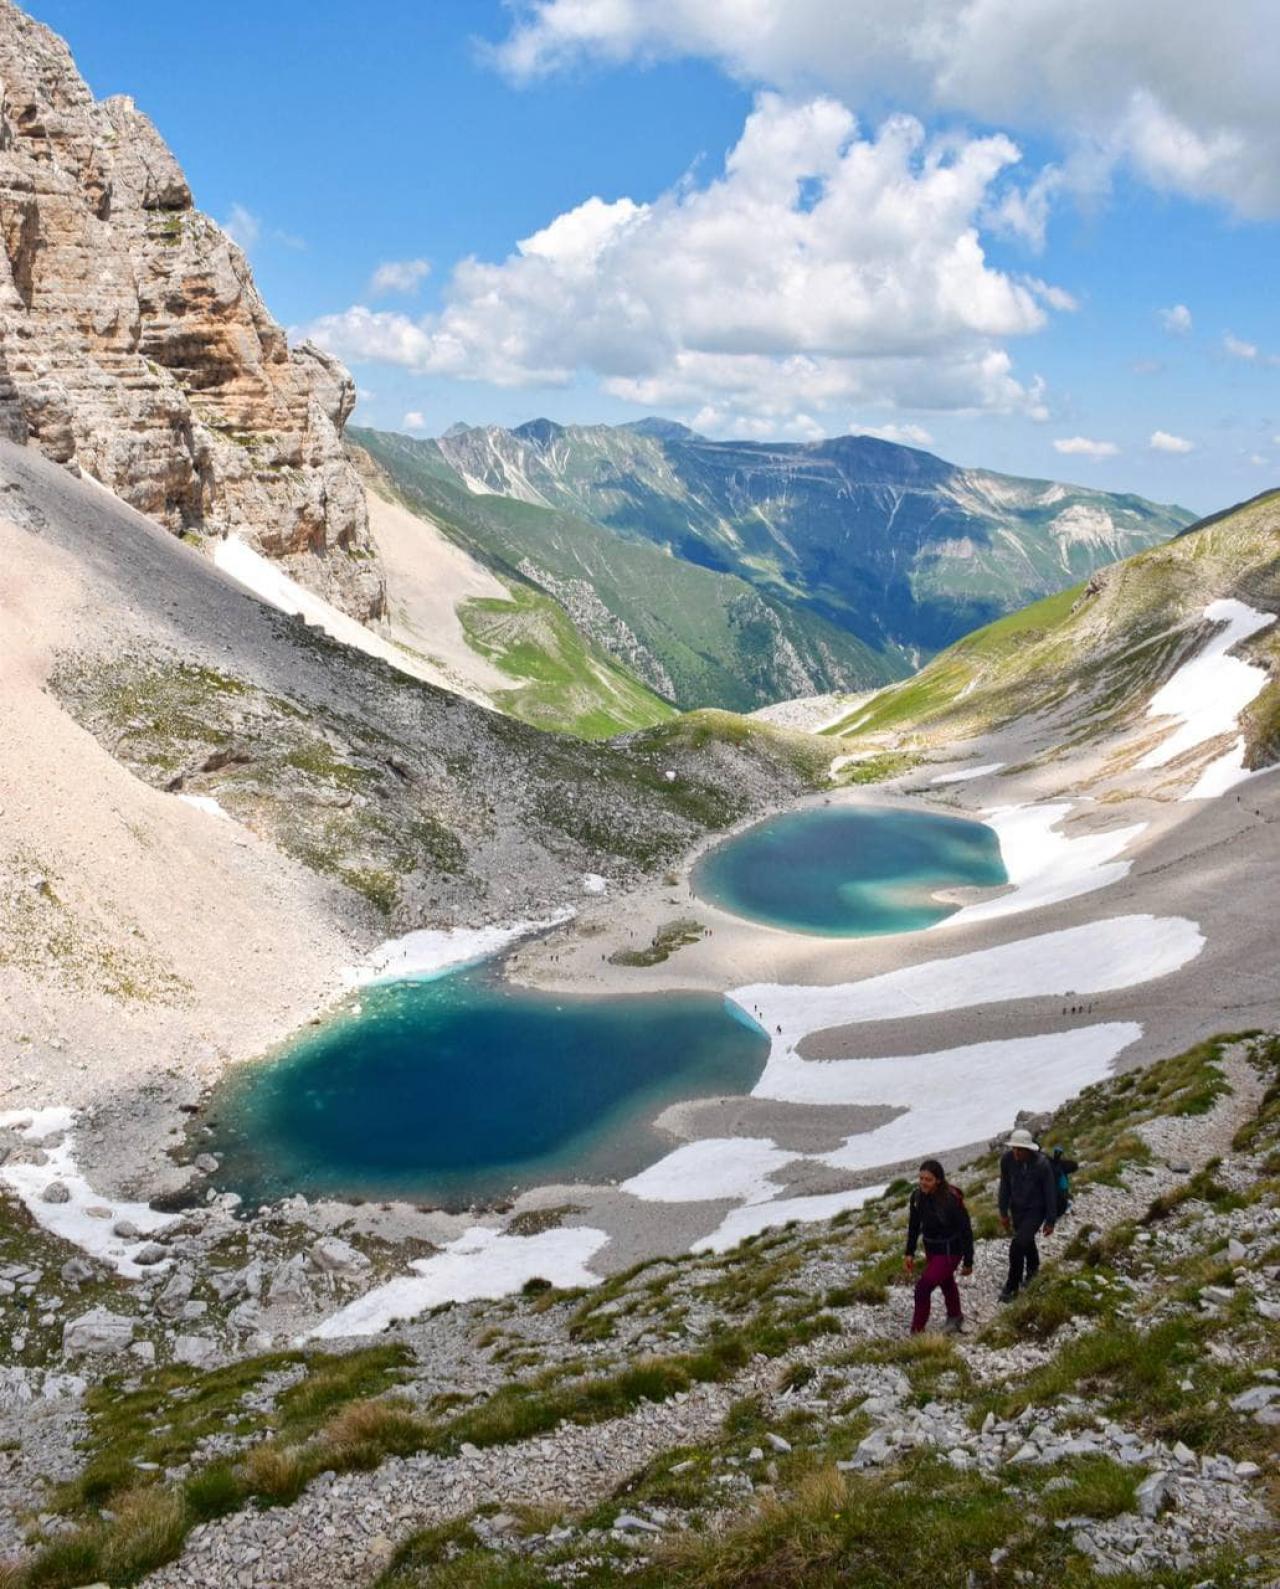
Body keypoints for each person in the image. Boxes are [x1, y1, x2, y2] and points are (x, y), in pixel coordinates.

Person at [903, 1158, 974, 1334]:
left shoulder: (951, 1199)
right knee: (946, 1282)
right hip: (932, 1249)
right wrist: (909, 1253)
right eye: (921, 1179)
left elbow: (966, 1230)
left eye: (928, 1180)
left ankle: (917, 1332)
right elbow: (914, 1226)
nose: (923, 1183)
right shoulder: (917, 1197)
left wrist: (968, 1261)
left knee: (922, 1288)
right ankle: (955, 1316)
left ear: (938, 1180)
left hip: (951, 1250)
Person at [997, 1128, 1057, 1301]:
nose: (1016, 1152)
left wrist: (1050, 1220)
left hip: (1036, 1210)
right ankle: (1033, 1268)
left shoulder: (1042, 1164)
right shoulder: (1007, 1160)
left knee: (1017, 1245)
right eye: (1014, 1148)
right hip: (1017, 1208)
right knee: (1026, 1240)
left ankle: (1012, 1286)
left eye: (1020, 1149)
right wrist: (1003, 1211)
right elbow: (1005, 1186)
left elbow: (1049, 1192)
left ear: (1029, 1149)